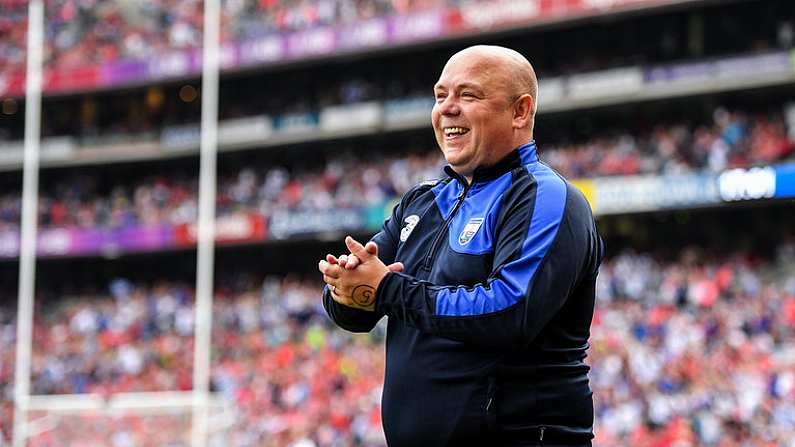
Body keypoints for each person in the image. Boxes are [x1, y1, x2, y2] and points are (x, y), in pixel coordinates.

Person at [318, 45, 603, 446]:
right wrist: (343, 287)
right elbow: (357, 306)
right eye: (440, 96)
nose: (447, 109)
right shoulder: (421, 201)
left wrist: (386, 290)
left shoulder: (546, 197)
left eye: (467, 95)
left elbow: (510, 310)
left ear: (520, 111)